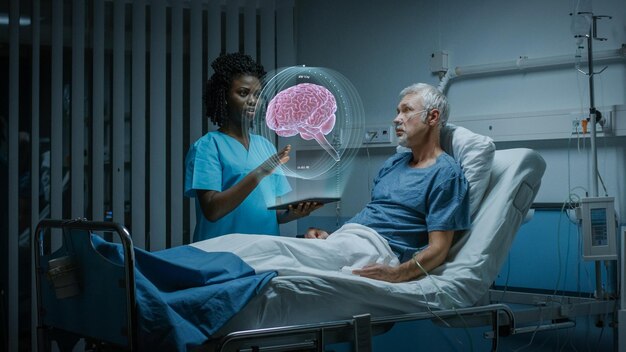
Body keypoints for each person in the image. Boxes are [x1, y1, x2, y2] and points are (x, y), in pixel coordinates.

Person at [304, 83, 470, 283]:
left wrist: (397, 273)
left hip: (377, 249)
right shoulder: (394, 163)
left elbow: (438, 249)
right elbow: (379, 218)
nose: (396, 119)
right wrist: (329, 237)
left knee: (267, 255)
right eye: (397, 111)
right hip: (348, 240)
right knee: (267, 250)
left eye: (406, 110)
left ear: (433, 117)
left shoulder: (445, 174)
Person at [185, 53, 321, 242]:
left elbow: (275, 213)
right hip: (221, 256)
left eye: (257, 95)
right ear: (224, 97)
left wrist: (297, 212)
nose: (252, 100)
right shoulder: (208, 147)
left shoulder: (265, 146)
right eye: (243, 93)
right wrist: (259, 172)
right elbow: (212, 210)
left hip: (263, 254)